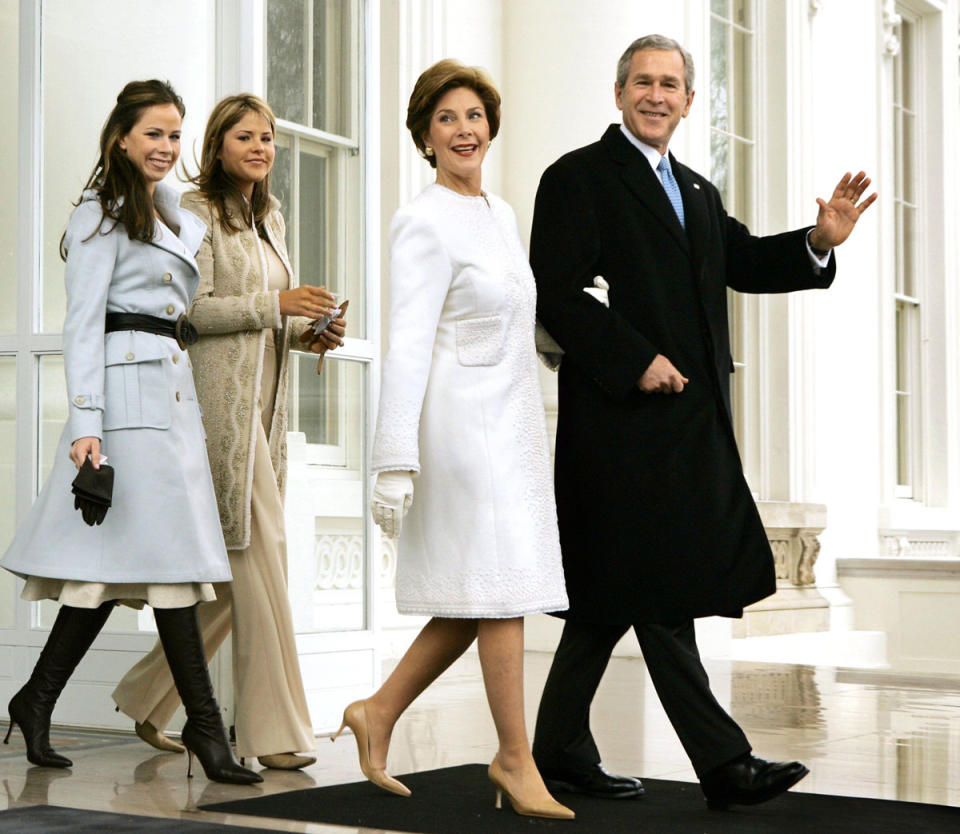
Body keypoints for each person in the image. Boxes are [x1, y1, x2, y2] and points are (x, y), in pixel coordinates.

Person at [529, 35, 876, 810]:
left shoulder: (697, 190)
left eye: (672, 85)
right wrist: (634, 358)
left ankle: (555, 749)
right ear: (619, 94)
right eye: (643, 82)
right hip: (617, 429)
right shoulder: (577, 177)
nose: (657, 95)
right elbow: (554, 293)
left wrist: (818, 242)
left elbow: (744, 260)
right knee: (656, 594)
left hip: (688, 428)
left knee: (613, 597)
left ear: (688, 102)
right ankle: (724, 764)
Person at [0, 80, 260, 785]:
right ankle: (208, 734)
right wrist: (86, 425)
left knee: (106, 574)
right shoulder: (99, 214)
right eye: (153, 134)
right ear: (121, 136)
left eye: (175, 135)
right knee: (167, 568)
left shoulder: (168, 210)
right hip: (122, 406)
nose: (166, 148)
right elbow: (82, 324)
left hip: (168, 398)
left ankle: (35, 698)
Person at [334, 59, 572, 821]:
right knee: (501, 592)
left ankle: (378, 711)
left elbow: (505, 314)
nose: (464, 130)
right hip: (461, 430)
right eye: (447, 119)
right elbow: (408, 344)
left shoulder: (500, 215)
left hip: (512, 423)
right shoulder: (423, 220)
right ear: (425, 137)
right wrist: (392, 460)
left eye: (474, 116)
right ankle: (515, 756)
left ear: (490, 127)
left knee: (481, 596)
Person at [112, 94, 345, 771]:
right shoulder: (195, 211)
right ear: (217, 146)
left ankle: (146, 697)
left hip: (265, 424)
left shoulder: (268, 216)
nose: (260, 148)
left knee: (232, 573)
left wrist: (311, 331)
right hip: (217, 417)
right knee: (263, 561)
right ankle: (274, 734)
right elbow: (187, 312)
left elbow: (273, 319)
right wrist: (275, 304)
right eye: (246, 137)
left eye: (268, 138)